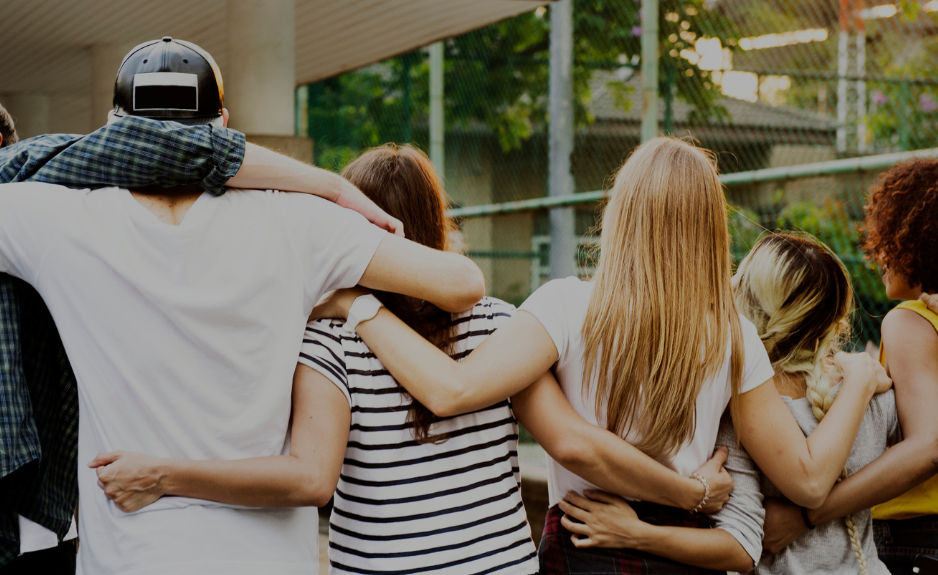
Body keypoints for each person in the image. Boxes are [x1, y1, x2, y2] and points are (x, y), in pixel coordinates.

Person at [82, 144, 739, 575]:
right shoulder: (501, 323)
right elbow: (568, 435)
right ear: (435, 225)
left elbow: (311, 478)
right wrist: (691, 491)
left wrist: (168, 473)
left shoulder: (330, 338)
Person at [0, 46, 400, 575]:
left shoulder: (54, 217)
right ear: (223, 123)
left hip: (116, 551)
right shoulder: (303, 222)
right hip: (267, 559)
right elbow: (459, 283)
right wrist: (339, 242)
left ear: (113, 127)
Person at [308, 137, 892, 574]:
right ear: (711, 227)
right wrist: (862, 382)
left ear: (621, 212)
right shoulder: (735, 337)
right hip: (686, 547)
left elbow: (457, 392)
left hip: (588, 541)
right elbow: (809, 482)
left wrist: (360, 307)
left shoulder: (562, 307)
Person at [554, 233, 938, 575]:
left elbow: (744, 543)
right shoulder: (869, 392)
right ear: (833, 321)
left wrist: (636, 533)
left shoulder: (737, 411)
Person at [757, 160, 938, 574]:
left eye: (887, 237)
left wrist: (807, 516)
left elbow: (934, 446)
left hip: (923, 540)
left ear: (919, 238)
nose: (879, 254)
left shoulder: (910, 320)